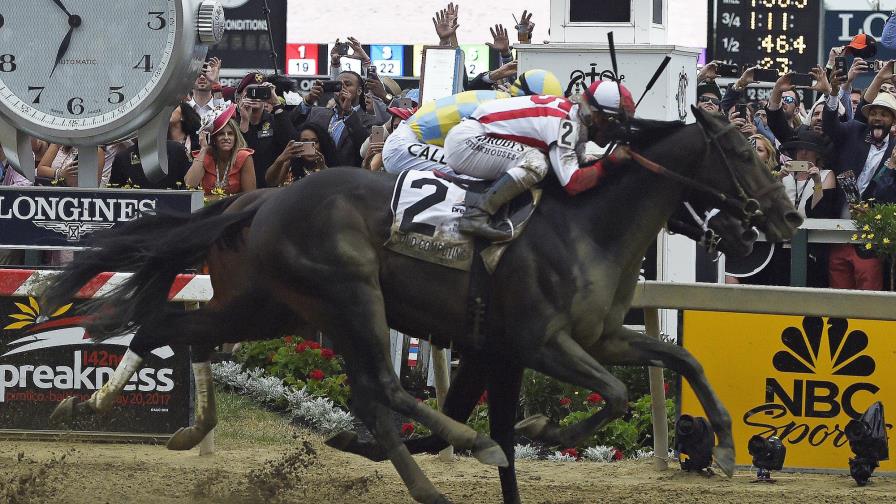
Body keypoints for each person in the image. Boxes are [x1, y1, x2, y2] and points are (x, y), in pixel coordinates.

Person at [443, 80, 633, 241]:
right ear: (596, 115)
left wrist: (604, 162)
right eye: (614, 122)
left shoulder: (575, 119)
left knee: (558, 162)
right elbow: (572, 182)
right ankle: (476, 215)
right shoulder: (566, 124)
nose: (616, 131)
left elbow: (581, 164)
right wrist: (610, 162)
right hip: (468, 141)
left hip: (476, 136)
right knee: (537, 163)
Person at [382, 69, 564, 175]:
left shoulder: (502, 100)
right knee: (483, 173)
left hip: (410, 140)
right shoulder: (503, 109)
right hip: (404, 147)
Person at [816, 64, 896, 290]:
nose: (878, 118)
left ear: (893, 121)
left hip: (871, 239)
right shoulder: (853, 131)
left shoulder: (895, 151)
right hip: (837, 232)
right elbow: (830, 125)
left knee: (867, 298)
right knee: (837, 296)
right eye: (874, 113)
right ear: (868, 116)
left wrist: (891, 167)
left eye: (884, 114)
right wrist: (833, 93)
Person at [292, 70, 377, 166]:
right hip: (314, 175)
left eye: (348, 85)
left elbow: (363, 147)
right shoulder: (316, 113)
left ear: (359, 91)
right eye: (338, 85)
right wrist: (308, 101)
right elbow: (290, 127)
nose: (342, 88)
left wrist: (349, 112)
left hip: (346, 177)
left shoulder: (371, 121)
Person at [185, 105, 256, 196]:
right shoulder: (205, 157)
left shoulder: (243, 157)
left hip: (235, 208)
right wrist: (203, 149)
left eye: (230, 134)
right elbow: (190, 184)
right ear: (213, 138)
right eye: (221, 134)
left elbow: (249, 196)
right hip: (209, 208)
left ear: (235, 137)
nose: (226, 138)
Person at [266, 122, 338, 186]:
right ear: (298, 143)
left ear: (323, 144)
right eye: (305, 142)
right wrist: (281, 159)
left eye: (315, 142)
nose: (310, 146)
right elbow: (271, 182)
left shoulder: (330, 164)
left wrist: (323, 168)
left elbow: (336, 188)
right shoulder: (289, 164)